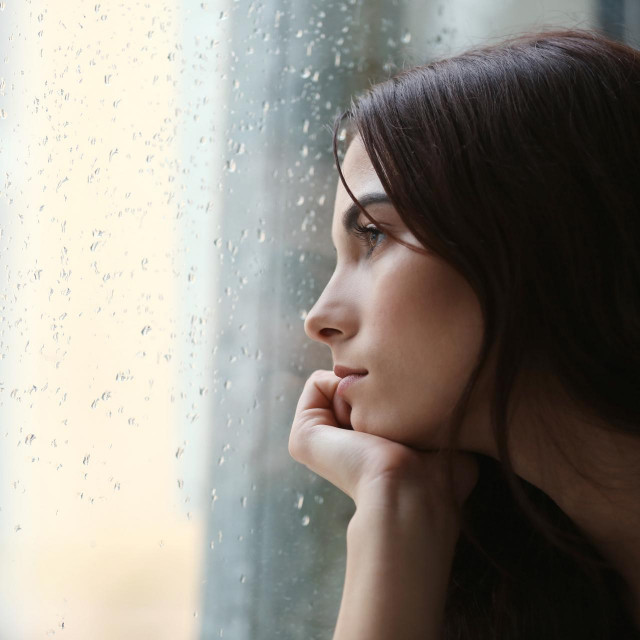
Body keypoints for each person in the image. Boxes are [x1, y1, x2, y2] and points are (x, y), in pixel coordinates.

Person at [288, 28, 640, 639]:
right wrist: (393, 505)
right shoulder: (529, 592)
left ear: (543, 233)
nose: (318, 317)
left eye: (372, 236)